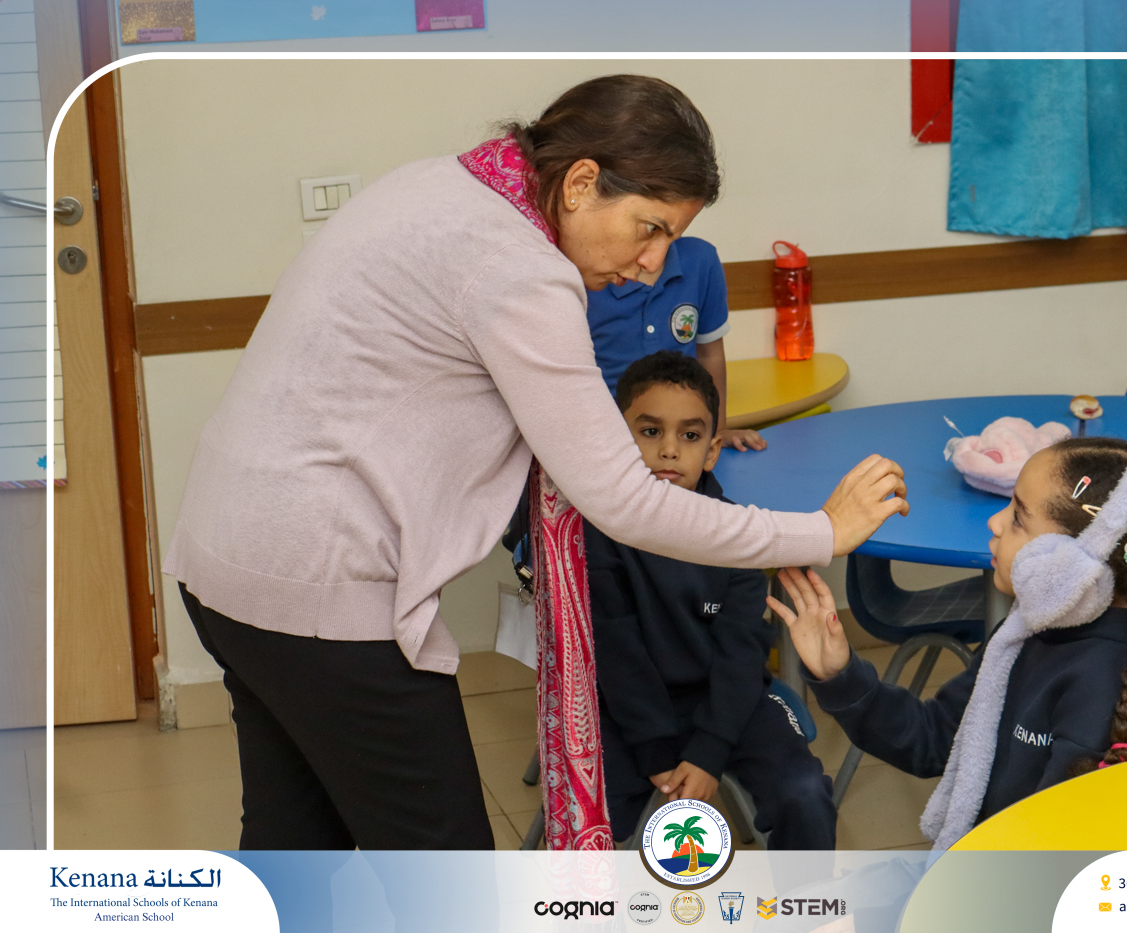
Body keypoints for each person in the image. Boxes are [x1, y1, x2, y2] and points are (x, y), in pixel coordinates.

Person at [166, 74, 907, 851]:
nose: (653, 264)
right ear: (581, 182)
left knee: (294, 840)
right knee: (447, 870)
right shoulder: (518, 267)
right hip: (314, 582)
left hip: (228, 555)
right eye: (649, 228)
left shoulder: (448, 184)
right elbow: (625, 500)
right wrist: (821, 531)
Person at [770, 417, 1127, 851]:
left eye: (1018, 517)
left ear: (1074, 562)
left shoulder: (1102, 687)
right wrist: (840, 674)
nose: (994, 523)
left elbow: (1061, 858)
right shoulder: (1025, 633)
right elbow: (934, 738)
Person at [586, 351, 835, 848]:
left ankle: (809, 899)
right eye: (650, 432)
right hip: (624, 707)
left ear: (713, 450)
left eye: (690, 436)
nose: (669, 451)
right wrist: (657, 753)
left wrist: (708, 752)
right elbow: (617, 654)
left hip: (728, 702)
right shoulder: (598, 532)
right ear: (618, 439)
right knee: (591, 816)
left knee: (805, 792)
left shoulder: (738, 533)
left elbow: (741, 653)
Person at [587, 235, 766, 452]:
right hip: (605, 443)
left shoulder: (700, 259)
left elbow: (710, 354)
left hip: (683, 440)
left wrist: (718, 431)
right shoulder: (587, 270)